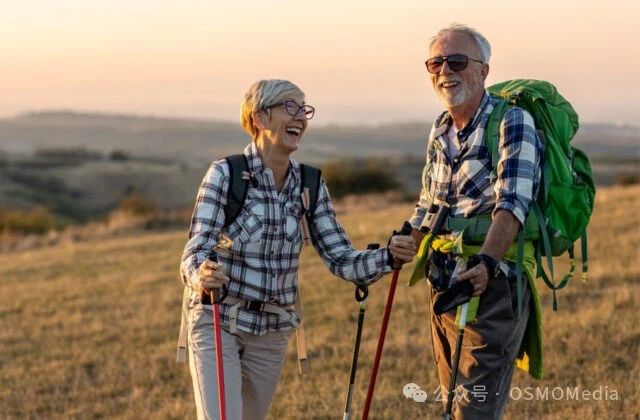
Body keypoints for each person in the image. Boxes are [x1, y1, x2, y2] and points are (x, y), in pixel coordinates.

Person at [179, 79, 395, 420]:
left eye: (304, 109)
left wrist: (391, 256)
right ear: (261, 118)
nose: (302, 117)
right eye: (290, 107)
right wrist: (201, 273)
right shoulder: (225, 173)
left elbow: (341, 259)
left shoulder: (310, 184)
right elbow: (196, 249)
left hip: (273, 330)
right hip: (219, 320)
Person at [389, 24, 544, 419]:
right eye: (435, 63)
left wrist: (487, 263)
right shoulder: (441, 127)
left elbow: (513, 204)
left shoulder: (513, 122)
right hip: (445, 279)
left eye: (457, 61)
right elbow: (430, 202)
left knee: (473, 408)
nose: (445, 71)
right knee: (451, 402)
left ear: (483, 71)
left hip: (493, 282)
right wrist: (407, 239)